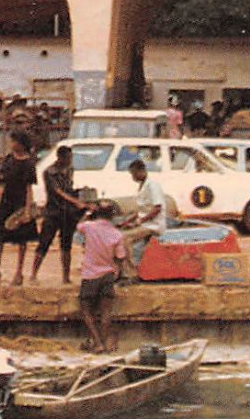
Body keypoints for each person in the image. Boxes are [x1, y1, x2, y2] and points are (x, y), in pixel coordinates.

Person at [0, 130, 39, 286]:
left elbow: (29, 188)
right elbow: (2, 178)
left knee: (22, 239)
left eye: (14, 141)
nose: (11, 144)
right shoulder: (9, 159)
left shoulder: (29, 163)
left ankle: (19, 272)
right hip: (6, 201)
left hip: (20, 202)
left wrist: (27, 210)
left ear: (21, 144)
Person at [75, 201, 126, 353]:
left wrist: (88, 213)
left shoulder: (89, 227)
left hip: (90, 275)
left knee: (85, 310)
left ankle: (97, 342)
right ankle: (103, 343)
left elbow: (79, 226)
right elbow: (120, 257)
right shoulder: (117, 234)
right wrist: (119, 273)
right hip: (108, 275)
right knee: (106, 313)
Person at [30, 145, 83, 285]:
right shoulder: (49, 172)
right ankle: (33, 274)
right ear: (61, 158)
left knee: (66, 245)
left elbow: (69, 188)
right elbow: (57, 191)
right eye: (68, 158)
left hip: (67, 212)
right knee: (44, 242)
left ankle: (66, 277)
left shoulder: (69, 170)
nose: (70, 161)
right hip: (53, 211)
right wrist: (76, 201)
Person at [117, 157, 167, 272]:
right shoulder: (142, 186)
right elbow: (141, 210)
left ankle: (130, 272)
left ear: (142, 171)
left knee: (125, 239)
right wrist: (126, 222)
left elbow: (157, 208)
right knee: (119, 234)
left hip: (153, 225)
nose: (133, 177)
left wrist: (141, 221)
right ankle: (122, 269)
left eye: (134, 173)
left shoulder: (153, 186)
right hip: (145, 223)